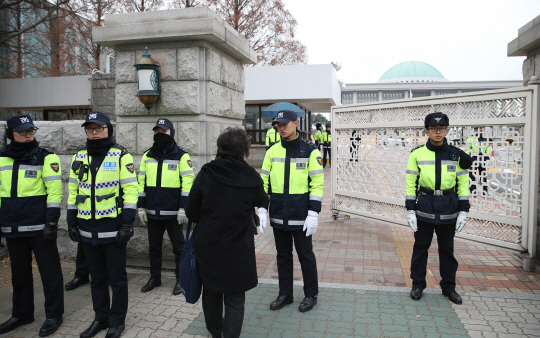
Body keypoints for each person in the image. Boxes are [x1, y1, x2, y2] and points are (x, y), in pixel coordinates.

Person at [184, 127, 267, 338]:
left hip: (209, 246)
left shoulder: (207, 172)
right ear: (244, 150)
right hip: (239, 248)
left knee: (211, 292)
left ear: (220, 148)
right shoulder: (250, 176)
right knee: (235, 297)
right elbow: (263, 200)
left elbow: (191, 211)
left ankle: (216, 332)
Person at [67, 111, 138, 338]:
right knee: (96, 279)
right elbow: (73, 193)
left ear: (108, 129)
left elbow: (130, 192)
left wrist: (127, 224)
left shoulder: (120, 156)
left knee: (117, 278)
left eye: (98, 128)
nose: (94, 132)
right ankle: (101, 318)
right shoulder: (79, 157)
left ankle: (117, 321)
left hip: (113, 229)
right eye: (90, 129)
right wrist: (71, 222)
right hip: (87, 229)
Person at [0, 115, 64, 337]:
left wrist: (51, 222)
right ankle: (22, 313)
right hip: (12, 227)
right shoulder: (2, 160)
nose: (28, 136)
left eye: (31, 131)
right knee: (19, 275)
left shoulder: (46, 157)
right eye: (23, 132)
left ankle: (54, 315)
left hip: (39, 227)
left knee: (50, 274)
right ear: (11, 134)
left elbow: (55, 193)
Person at [258, 110, 324, 312]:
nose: (281, 127)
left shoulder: (310, 151)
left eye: (285, 124)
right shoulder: (272, 151)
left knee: (306, 255)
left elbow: (317, 184)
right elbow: (264, 182)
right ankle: (285, 293)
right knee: (283, 256)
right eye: (278, 124)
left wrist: (313, 213)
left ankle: (311, 294)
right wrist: (262, 207)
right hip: (279, 214)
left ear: (296, 123)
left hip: (301, 215)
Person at [405, 112, 472, 305]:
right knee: (420, 248)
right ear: (426, 131)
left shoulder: (456, 154)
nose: (438, 132)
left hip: (448, 208)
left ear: (447, 130)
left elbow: (462, 184)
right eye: (433, 129)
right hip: (424, 206)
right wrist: (410, 210)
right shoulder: (416, 154)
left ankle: (449, 287)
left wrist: (464, 211)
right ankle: (418, 284)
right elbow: (411, 184)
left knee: (447, 251)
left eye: (441, 128)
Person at [137, 118, 192, 295]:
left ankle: (181, 280)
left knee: (179, 248)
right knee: (154, 247)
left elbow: (188, 184)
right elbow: (141, 183)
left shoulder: (182, 156)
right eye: (158, 132)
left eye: (164, 131)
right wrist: (141, 207)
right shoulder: (148, 156)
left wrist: (184, 208)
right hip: (153, 211)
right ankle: (155, 278)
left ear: (171, 133)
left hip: (174, 213)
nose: (160, 135)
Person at [466, 127, 491, 195]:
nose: (480, 130)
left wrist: (486, 156)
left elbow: (488, 147)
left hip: (483, 158)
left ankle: (485, 192)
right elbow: (468, 148)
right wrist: (468, 157)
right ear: (475, 129)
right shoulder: (471, 138)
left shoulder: (485, 138)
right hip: (474, 157)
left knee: (483, 176)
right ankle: (473, 191)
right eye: (478, 128)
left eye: (481, 128)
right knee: (472, 176)